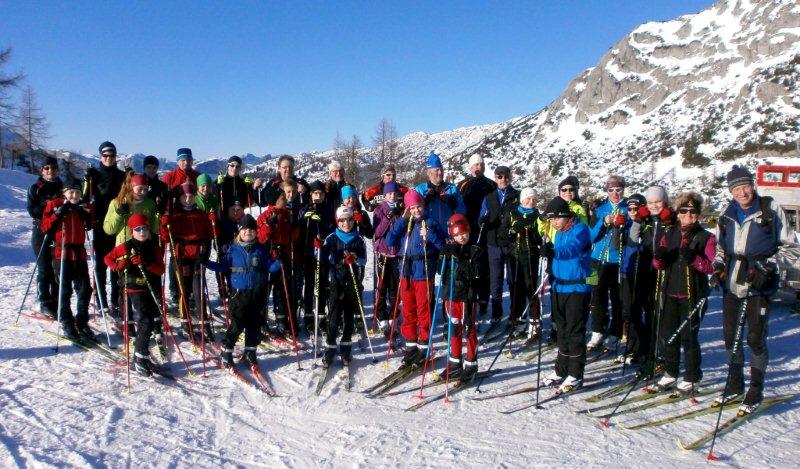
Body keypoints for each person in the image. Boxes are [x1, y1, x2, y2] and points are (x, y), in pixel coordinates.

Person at [713, 165, 799, 414]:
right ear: (730, 191)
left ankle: (755, 389)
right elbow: (721, 248)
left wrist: (767, 266)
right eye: (736, 189)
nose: (742, 193)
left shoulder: (770, 209)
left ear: (753, 185)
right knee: (730, 337)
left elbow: (792, 247)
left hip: (760, 284)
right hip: (733, 283)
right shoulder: (727, 213)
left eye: (745, 186)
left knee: (755, 338)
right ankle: (735, 385)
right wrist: (718, 268)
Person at [652, 192, 715, 392]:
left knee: (688, 336)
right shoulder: (670, 233)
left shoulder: (706, 237)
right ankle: (670, 372)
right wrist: (659, 258)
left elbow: (712, 267)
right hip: (670, 291)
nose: (688, 215)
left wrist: (694, 259)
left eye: (693, 211)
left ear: (698, 214)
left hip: (693, 293)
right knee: (669, 335)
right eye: (684, 211)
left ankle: (692, 376)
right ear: (678, 213)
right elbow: (658, 265)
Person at [204, 214, 281, 368]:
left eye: (251, 230)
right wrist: (205, 262)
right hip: (239, 293)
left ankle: (250, 352)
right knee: (237, 324)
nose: (248, 232)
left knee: (254, 323)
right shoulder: (233, 249)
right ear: (239, 232)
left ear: (256, 232)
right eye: (245, 230)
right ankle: (226, 352)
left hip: (257, 292)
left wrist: (278, 261)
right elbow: (223, 267)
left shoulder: (261, 249)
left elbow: (270, 268)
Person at [386, 189, 446, 366]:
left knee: (423, 310)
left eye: (418, 206)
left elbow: (442, 245)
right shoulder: (405, 223)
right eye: (412, 208)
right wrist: (402, 220)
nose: (416, 210)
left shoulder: (431, 222)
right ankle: (411, 344)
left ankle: (424, 345)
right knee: (408, 309)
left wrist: (430, 235)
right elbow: (390, 241)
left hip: (423, 272)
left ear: (423, 205)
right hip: (406, 272)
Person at [540, 197, 593, 393]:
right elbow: (559, 253)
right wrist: (551, 267)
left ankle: (575, 374)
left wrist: (553, 252)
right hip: (559, 287)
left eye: (556, 218)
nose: (553, 222)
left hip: (577, 289)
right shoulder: (559, 232)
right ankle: (561, 370)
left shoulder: (580, 229)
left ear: (566, 216)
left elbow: (572, 249)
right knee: (561, 331)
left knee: (574, 331)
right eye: (551, 219)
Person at [104, 213, 166, 375]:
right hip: (134, 288)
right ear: (132, 231)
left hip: (150, 287)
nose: (142, 232)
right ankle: (139, 357)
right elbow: (107, 259)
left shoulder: (154, 247)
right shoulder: (126, 246)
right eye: (138, 229)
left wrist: (147, 264)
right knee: (145, 321)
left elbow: (161, 269)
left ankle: (142, 356)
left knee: (150, 321)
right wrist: (119, 265)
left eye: (144, 228)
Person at [41, 178, 94, 341]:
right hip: (61, 253)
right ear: (64, 193)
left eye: (77, 193)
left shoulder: (83, 205)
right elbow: (44, 227)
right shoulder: (55, 204)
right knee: (64, 290)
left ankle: (82, 321)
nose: (74, 196)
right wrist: (57, 214)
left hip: (79, 253)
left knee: (85, 289)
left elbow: (90, 224)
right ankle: (66, 321)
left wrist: (87, 215)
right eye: (71, 192)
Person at [160, 182, 213, 340]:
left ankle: (204, 321)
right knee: (184, 290)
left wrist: (213, 222)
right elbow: (166, 238)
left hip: (197, 256)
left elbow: (209, 234)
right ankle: (185, 322)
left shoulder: (200, 214)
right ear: (179, 198)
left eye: (190, 196)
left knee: (198, 290)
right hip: (182, 256)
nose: (188, 199)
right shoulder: (175, 216)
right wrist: (164, 223)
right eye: (184, 196)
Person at [440, 214, 485, 382]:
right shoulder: (450, 247)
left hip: (467, 296)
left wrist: (460, 257)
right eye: (457, 234)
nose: (461, 237)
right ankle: (455, 363)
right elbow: (440, 271)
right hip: (451, 295)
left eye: (464, 233)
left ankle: (471, 364)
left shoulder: (475, 249)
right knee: (454, 328)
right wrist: (443, 255)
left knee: (468, 329)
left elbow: (476, 273)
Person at [84, 141, 127, 315]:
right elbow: (85, 198)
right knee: (101, 265)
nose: (109, 158)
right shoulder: (94, 176)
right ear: (100, 156)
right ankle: (102, 299)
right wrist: (87, 181)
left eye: (112, 155)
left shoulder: (122, 176)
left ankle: (115, 299)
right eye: (105, 155)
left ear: (116, 156)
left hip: (117, 224)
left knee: (116, 262)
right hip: (100, 224)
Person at [321, 206, 367, 366]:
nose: (346, 223)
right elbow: (322, 258)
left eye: (349, 220)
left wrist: (354, 258)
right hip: (336, 282)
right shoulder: (332, 238)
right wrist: (319, 248)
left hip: (352, 281)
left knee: (348, 317)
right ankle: (330, 348)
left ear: (353, 221)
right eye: (342, 221)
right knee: (334, 316)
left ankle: (346, 348)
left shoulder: (358, 239)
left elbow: (363, 260)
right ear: (337, 221)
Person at [587, 175, 629, 351]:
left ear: (623, 190)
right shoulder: (600, 209)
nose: (615, 193)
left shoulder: (628, 208)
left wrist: (625, 226)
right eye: (611, 190)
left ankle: (616, 332)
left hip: (617, 260)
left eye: (618, 189)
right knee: (595, 296)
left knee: (618, 298)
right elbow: (590, 236)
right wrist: (604, 222)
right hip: (596, 259)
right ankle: (597, 330)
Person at [256, 183, 301, 337]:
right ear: (275, 200)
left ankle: (282, 319)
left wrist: (295, 227)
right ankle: (260, 320)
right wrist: (268, 224)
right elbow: (260, 238)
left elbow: (292, 238)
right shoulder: (265, 216)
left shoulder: (287, 214)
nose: (285, 199)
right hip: (268, 257)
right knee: (264, 290)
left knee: (282, 289)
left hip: (283, 256)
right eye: (282, 198)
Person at [479, 165, 520, 325]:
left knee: (512, 279)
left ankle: (514, 313)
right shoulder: (489, 197)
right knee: (495, 280)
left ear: (510, 177)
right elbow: (481, 216)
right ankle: (496, 312)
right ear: (495, 178)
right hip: (494, 243)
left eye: (506, 176)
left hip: (511, 243)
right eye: (499, 176)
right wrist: (483, 221)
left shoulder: (517, 196)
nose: (503, 179)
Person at [501, 187, 542, 342]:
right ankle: (518, 321)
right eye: (528, 199)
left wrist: (533, 234)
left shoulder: (537, 216)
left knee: (531, 289)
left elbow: (541, 236)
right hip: (514, 257)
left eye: (534, 199)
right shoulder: (512, 214)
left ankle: (534, 324)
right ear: (522, 200)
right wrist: (512, 232)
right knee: (516, 289)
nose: (531, 202)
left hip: (531, 257)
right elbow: (501, 235)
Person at [458, 154, 496, 316]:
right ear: (470, 167)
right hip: (468, 231)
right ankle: (469, 298)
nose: (478, 167)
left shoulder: (491, 184)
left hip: (486, 231)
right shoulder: (463, 184)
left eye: (481, 164)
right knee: (469, 265)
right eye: (475, 165)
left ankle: (484, 300)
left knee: (485, 267)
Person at [26, 156, 63, 317]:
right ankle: (44, 303)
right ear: (42, 170)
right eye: (46, 168)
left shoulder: (63, 186)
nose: (50, 171)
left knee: (57, 268)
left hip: (58, 231)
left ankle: (56, 302)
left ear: (57, 170)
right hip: (41, 230)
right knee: (44, 268)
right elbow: (32, 211)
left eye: (53, 168)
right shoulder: (36, 188)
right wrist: (48, 204)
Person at [300, 181, 335, 335]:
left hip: (323, 252)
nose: (318, 196)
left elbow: (332, 228)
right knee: (309, 283)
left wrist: (321, 220)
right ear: (311, 194)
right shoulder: (305, 207)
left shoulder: (328, 209)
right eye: (315, 193)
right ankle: (308, 314)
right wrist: (304, 216)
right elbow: (298, 225)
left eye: (321, 193)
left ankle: (321, 315)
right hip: (308, 252)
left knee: (321, 283)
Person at [372, 182, 404, 338]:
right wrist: (387, 217)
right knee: (382, 286)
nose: (392, 196)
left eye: (395, 194)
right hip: (383, 252)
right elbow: (377, 232)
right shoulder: (379, 210)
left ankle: (393, 316)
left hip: (396, 253)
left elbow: (403, 230)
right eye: (389, 193)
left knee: (394, 287)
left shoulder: (401, 210)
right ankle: (381, 315)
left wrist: (398, 216)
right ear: (384, 195)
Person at [103, 173, 160, 246]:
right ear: (131, 188)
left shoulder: (149, 203)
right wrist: (118, 213)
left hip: (144, 246)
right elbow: (109, 230)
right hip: (124, 247)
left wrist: (158, 214)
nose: (143, 192)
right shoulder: (117, 203)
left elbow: (156, 230)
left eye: (145, 189)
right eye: (140, 189)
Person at [414, 152, 465, 230]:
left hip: (448, 232)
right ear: (429, 172)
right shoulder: (420, 190)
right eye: (437, 170)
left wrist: (452, 203)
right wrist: (425, 202)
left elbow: (463, 211)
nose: (440, 172)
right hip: (428, 233)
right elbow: (413, 214)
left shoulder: (452, 189)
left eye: (441, 169)